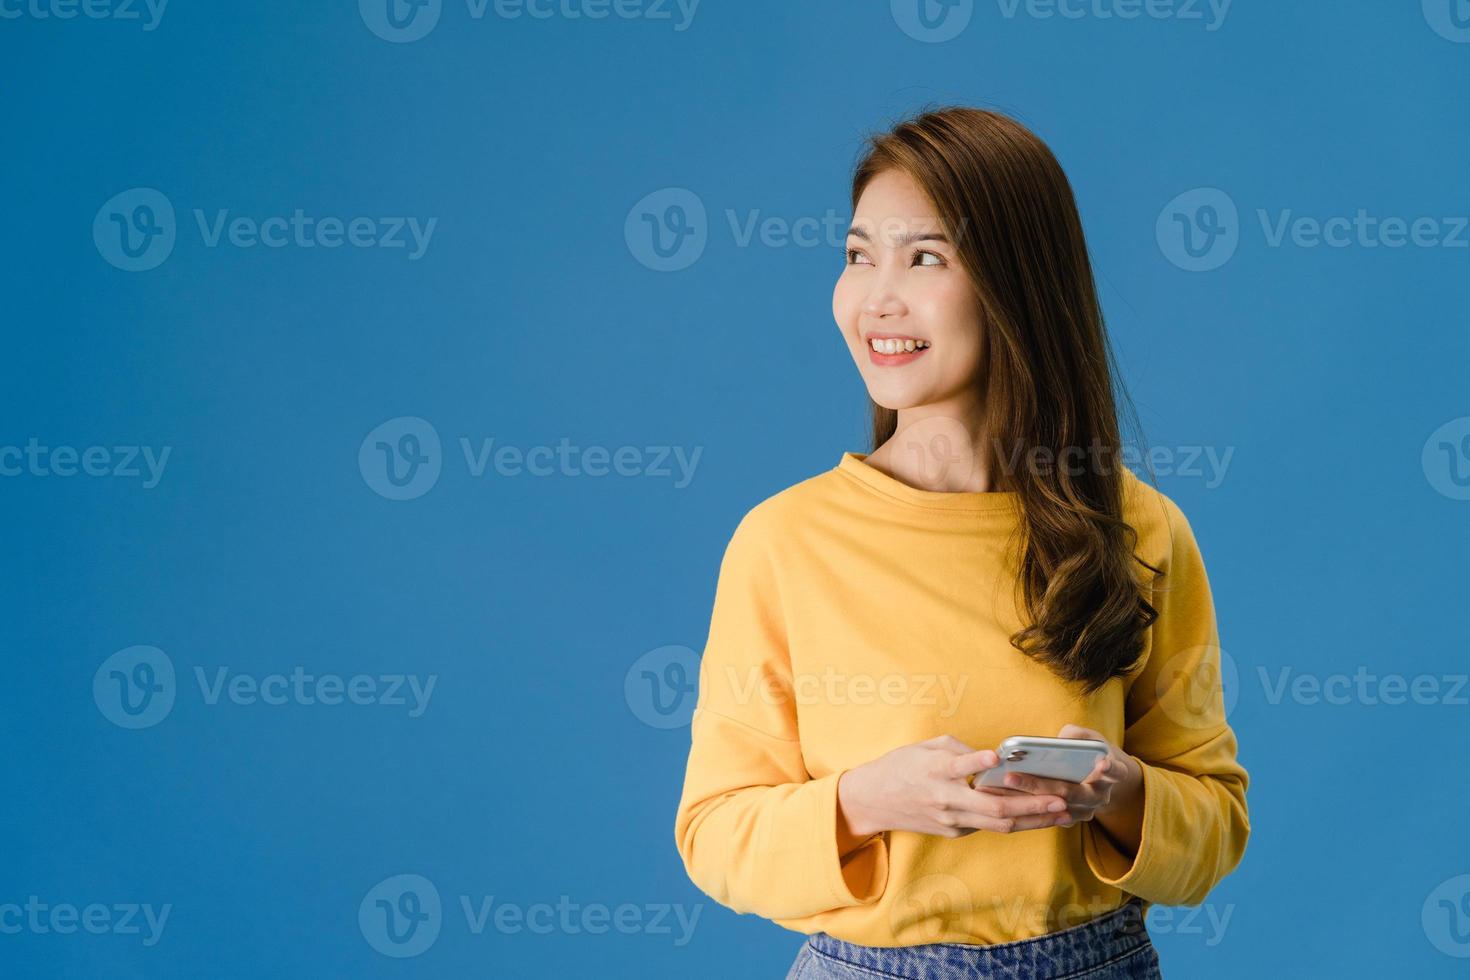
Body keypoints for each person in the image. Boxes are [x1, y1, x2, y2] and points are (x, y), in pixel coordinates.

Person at [672, 105, 1249, 979]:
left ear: (1018, 284)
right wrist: (865, 800)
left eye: (926, 258)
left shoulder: (1138, 529)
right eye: (859, 255)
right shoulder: (784, 542)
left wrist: (1116, 790)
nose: (877, 298)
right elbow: (714, 833)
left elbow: (1213, 830)